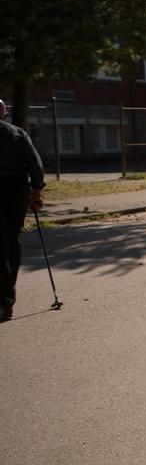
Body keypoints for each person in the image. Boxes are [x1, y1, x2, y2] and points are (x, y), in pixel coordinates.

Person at [0, 99, 45, 321]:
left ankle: (5, 299)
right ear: (4, 113)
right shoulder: (17, 134)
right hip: (16, 190)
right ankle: (9, 291)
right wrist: (36, 191)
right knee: (11, 239)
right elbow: (35, 164)